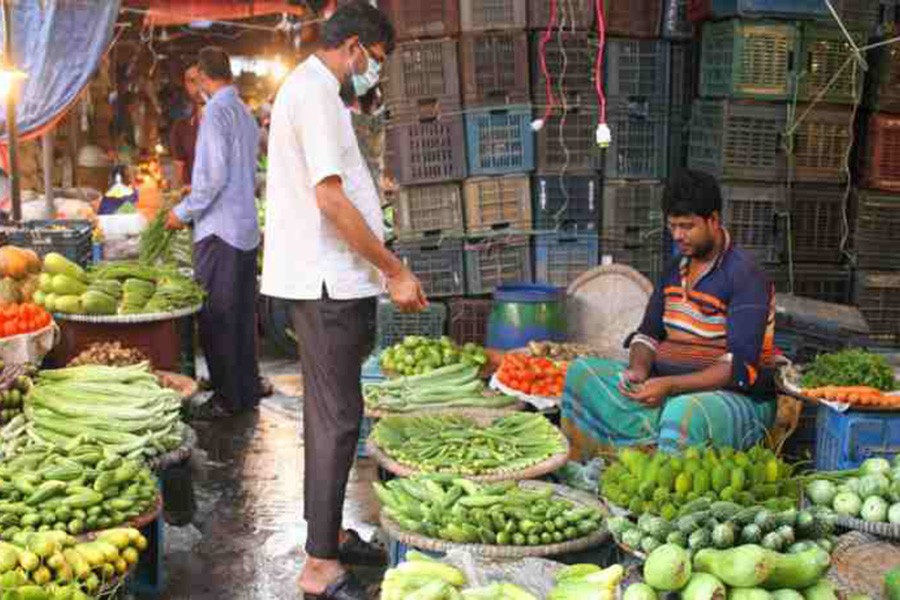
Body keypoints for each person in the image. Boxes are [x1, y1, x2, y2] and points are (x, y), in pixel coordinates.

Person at [261, 2, 427, 598]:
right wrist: (393, 269)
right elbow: (330, 200)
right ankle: (319, 566)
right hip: (327, 284)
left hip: (323, 283)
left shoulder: (315, 92)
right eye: (374, 59)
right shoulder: (317, 95)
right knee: (336, 422)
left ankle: (326, 536)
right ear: (353, 46)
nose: (373, 72)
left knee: (328, 416)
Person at [561, 170, 778, 455]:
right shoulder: (675, 268)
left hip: (733, 398)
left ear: (713, 220)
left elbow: (739, 367)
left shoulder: (745, 275)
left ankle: (660, 440)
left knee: (683, 415)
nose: (677, 236)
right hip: (667, 388)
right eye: (672, 226)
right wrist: (639, 370)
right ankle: (635, 446)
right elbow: (647, 335)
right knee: (582, 374)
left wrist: (670, 385)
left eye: (687, 226)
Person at [166, 47, 262, 419]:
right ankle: (245, 390)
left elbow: (212, 178)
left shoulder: (215, 113)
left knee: (218, 316)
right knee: (241, 316)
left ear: (204, 77)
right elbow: (236, 171)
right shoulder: (244, 113)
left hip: (219, 231)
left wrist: (181, 212)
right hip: (244, 227)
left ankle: (226, 398)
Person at [169, 65, 204, 185]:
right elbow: (179, 174)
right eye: (192, 81)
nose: (198, 86)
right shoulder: (181, 127)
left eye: (201, 79)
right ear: (186, 85)